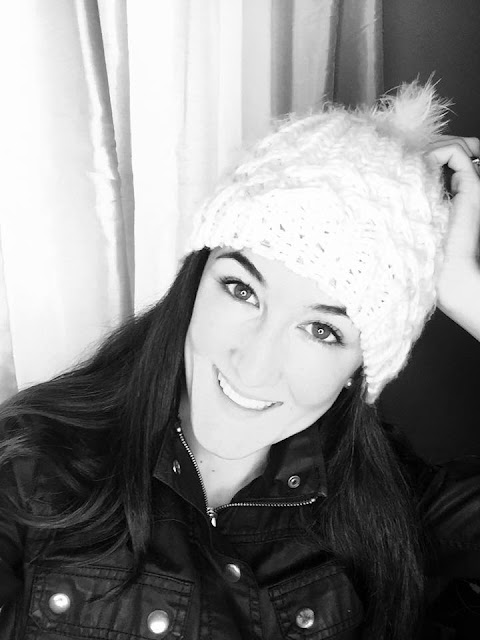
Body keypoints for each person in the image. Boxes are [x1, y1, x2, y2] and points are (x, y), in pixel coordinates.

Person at [0, 81, 479, 640]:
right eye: (242, 290)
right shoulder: (32, 465)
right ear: (195, 281)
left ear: (361, 370)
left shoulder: (387, 498)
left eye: (321, 330)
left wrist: (466, 290)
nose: (253, 366)